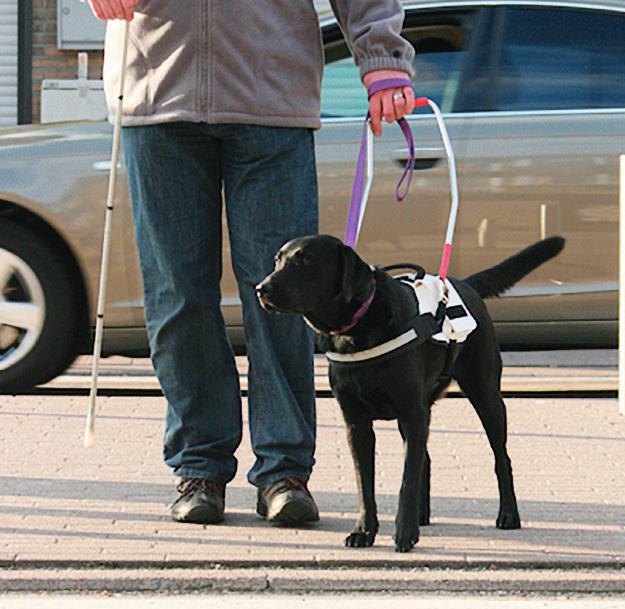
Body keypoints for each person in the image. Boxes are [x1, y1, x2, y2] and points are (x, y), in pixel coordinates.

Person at [85, 0, 415, 526]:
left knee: (285, 299)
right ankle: (199, 468)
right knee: (177, 297)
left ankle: (284, 471)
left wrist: (382, 57)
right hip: (157, 90)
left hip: (271, 98)